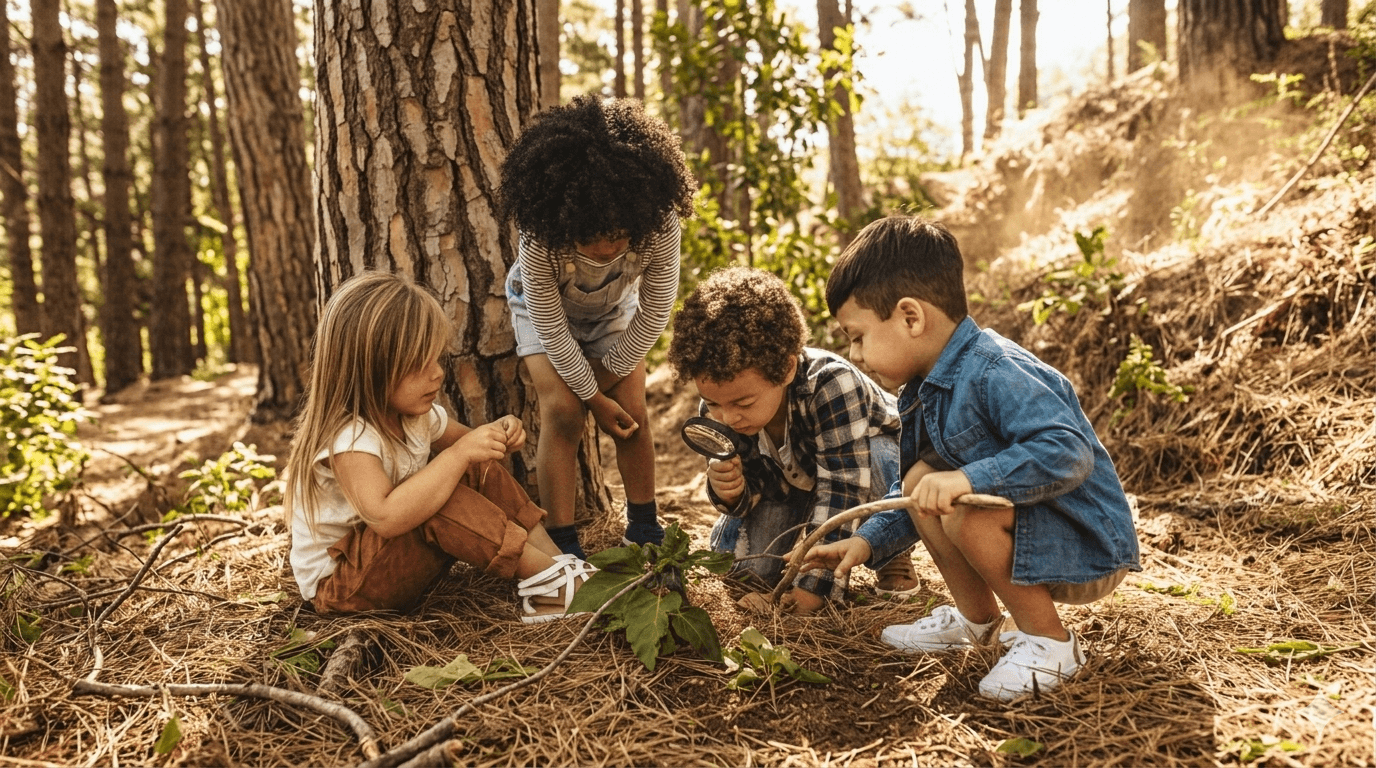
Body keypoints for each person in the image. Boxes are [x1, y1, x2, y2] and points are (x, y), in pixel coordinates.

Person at [796, 216, 1141, 700]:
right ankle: (977, 623)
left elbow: (1067, 452)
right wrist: (868, 544)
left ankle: (1049, 641)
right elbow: (912, 492)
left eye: (857, 336)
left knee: (964, 505)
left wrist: (967, 479)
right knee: (921, 477)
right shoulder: (923, 389)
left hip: (1084, 544)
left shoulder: (995, 370)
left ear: (910, 317)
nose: (854, 353)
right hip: (1033, 535)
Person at [284, 271, 594, 622]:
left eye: (437, 359)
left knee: (476, 467)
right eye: (420, 364)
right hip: (344, 587)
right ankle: (553, 582)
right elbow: (385, 517)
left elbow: (472, 450)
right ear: (371, 368)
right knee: (442, 493)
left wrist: (497, 433)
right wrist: (459, 455)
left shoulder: (414, 416)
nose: (437, 374)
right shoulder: (350, 440)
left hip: (386, 563)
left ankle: (555, 566)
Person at [498, 95, 697, 558]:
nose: (608, 250)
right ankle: (563, 544)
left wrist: (606, 391)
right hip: (543, 314)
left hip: (614, 315)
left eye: (618, 237)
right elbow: (548, 321)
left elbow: (655, 309)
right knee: (563, 411)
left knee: (631, 414)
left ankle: (645, 528)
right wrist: (589, 398)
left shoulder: (659, 221)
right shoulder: (541, 234)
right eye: (592, 239)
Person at [665, 266, 916, 616]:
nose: (729, 418)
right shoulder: (725, 409)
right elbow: (754, 488)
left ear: (784, 370)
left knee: (879, 460)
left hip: (869, 469)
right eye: (716, 404)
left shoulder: (831, 384)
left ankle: (889, 549)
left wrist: (811, 592)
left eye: (742, 403)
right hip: (795, 483)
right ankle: (813, 556)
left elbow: (844, 489)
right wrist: (729, 492)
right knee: (746, 571)